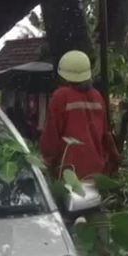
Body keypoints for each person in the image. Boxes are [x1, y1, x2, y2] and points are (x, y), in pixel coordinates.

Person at [40, 50, 119, 180]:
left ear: (62, 74)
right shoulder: (97, 97)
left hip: (69, 174)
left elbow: (51, 137)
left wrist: (47, 162)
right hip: (97, 174)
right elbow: (106, 136)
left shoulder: (61, 96)